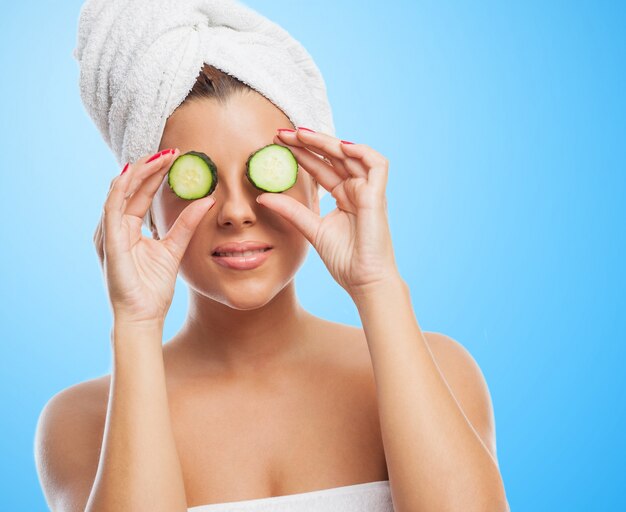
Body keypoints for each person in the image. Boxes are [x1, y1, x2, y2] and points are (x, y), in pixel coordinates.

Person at [35, 4, 509, 512]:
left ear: (319, 185)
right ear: (145, 208)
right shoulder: (82, 420)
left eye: (267, 170)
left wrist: (378, 286)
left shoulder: (441, 368)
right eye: (198, 180)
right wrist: (134, 324)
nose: (237, 212)